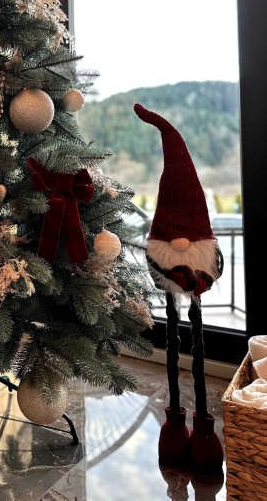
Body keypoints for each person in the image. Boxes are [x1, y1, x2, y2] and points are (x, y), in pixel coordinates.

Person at [134, 103, 224, 472]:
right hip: (175, 288)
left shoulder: (205, 253)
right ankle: (174, 423)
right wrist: (184, 275)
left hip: (192, 284)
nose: (182, 242)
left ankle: (202, 428)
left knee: (196, 348)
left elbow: (216, 267)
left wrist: (201, 280)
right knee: (173, 344)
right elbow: (155, 260)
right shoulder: (162, 250)